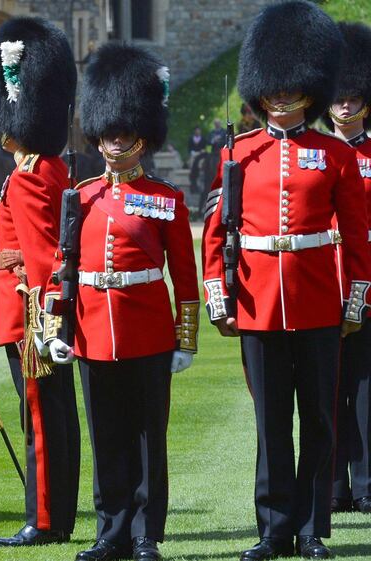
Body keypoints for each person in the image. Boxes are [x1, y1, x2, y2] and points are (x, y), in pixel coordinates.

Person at [202, 3, 371, 560]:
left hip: (320, 302)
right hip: (257, 304)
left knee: (318, 420)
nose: (280, 97)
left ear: (308, 90)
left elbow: (357, 236)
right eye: (272, 89)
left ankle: (311, 529)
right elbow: (215, 234)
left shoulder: (335, 155)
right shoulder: (237, 154)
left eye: (290, 88)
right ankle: (273, 529)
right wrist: (218, 300)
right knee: (271, 423)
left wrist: (355, 302)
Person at [43, 43, 199, 561]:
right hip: (92, 334)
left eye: (125, 135)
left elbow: (184, 275)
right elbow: (59, 268)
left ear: (141, 138)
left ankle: (144, 534)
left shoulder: (165, 198)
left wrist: (185, 339)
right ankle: (110, 532)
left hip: (149, 334)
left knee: (148, 441)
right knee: (106, 438)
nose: (116, 143)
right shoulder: (82, 196)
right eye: (109, 135)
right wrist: (53, 330)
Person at [0, 17, 81, 548]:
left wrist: (46, 326)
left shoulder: (27, 175)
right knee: (59, 418)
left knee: (40, 419)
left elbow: (41, 258)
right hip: (43, 314)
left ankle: (43, 520)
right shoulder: (51, 170)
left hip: (32, 320)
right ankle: (59, 516)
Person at [324, 21, 371, 516]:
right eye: (337, 98)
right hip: (323, 278)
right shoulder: (319, 154)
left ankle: (366, 482)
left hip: (368, 276)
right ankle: (333, 482)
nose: (342, 106)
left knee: (364, 386)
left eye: (351, 97)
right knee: (327, 388)